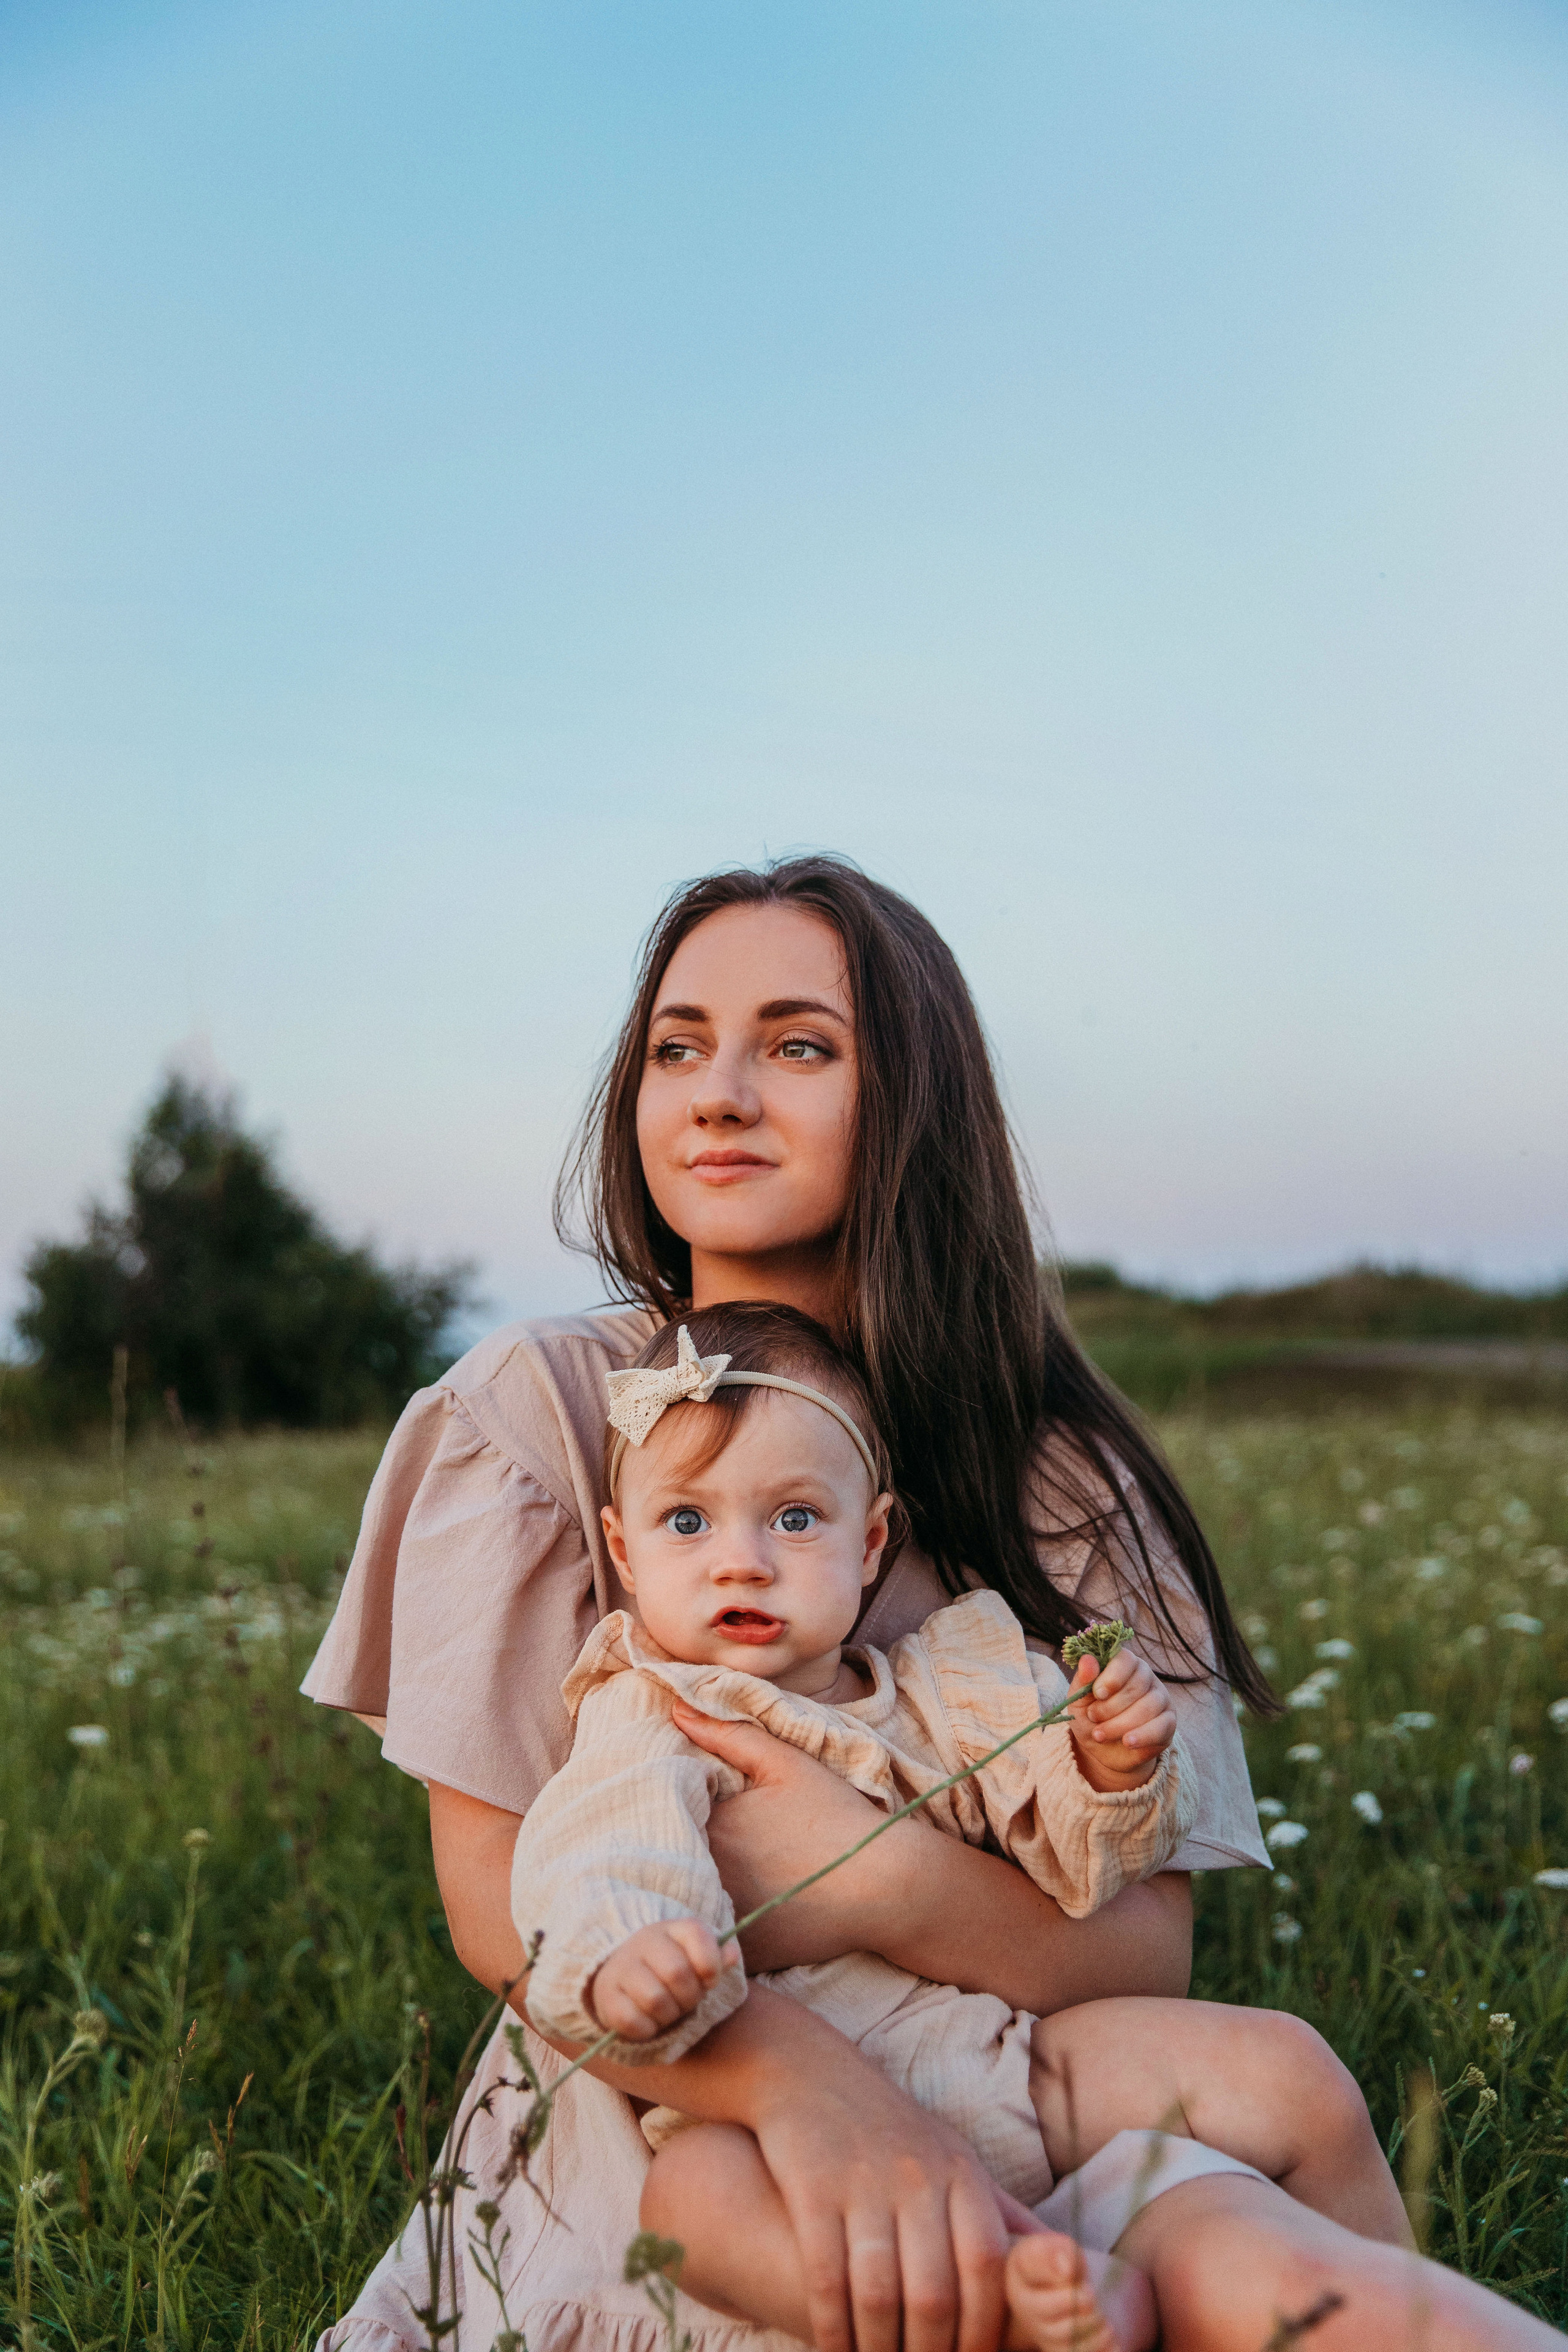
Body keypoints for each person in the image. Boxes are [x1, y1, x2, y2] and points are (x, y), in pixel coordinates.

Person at [303, 856, 1555, 2352]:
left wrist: (864, 1873)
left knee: (1242, 2250)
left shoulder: (1055, 1474)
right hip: (676, 2118)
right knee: (873, 2273)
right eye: (676, 1046)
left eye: (799, 1044)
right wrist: (810, 2092)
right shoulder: (541, 1415)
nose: (718, 1093)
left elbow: (1144, 1953)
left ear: (911, 1101)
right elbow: (500, 1915)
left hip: (1024, 2066)